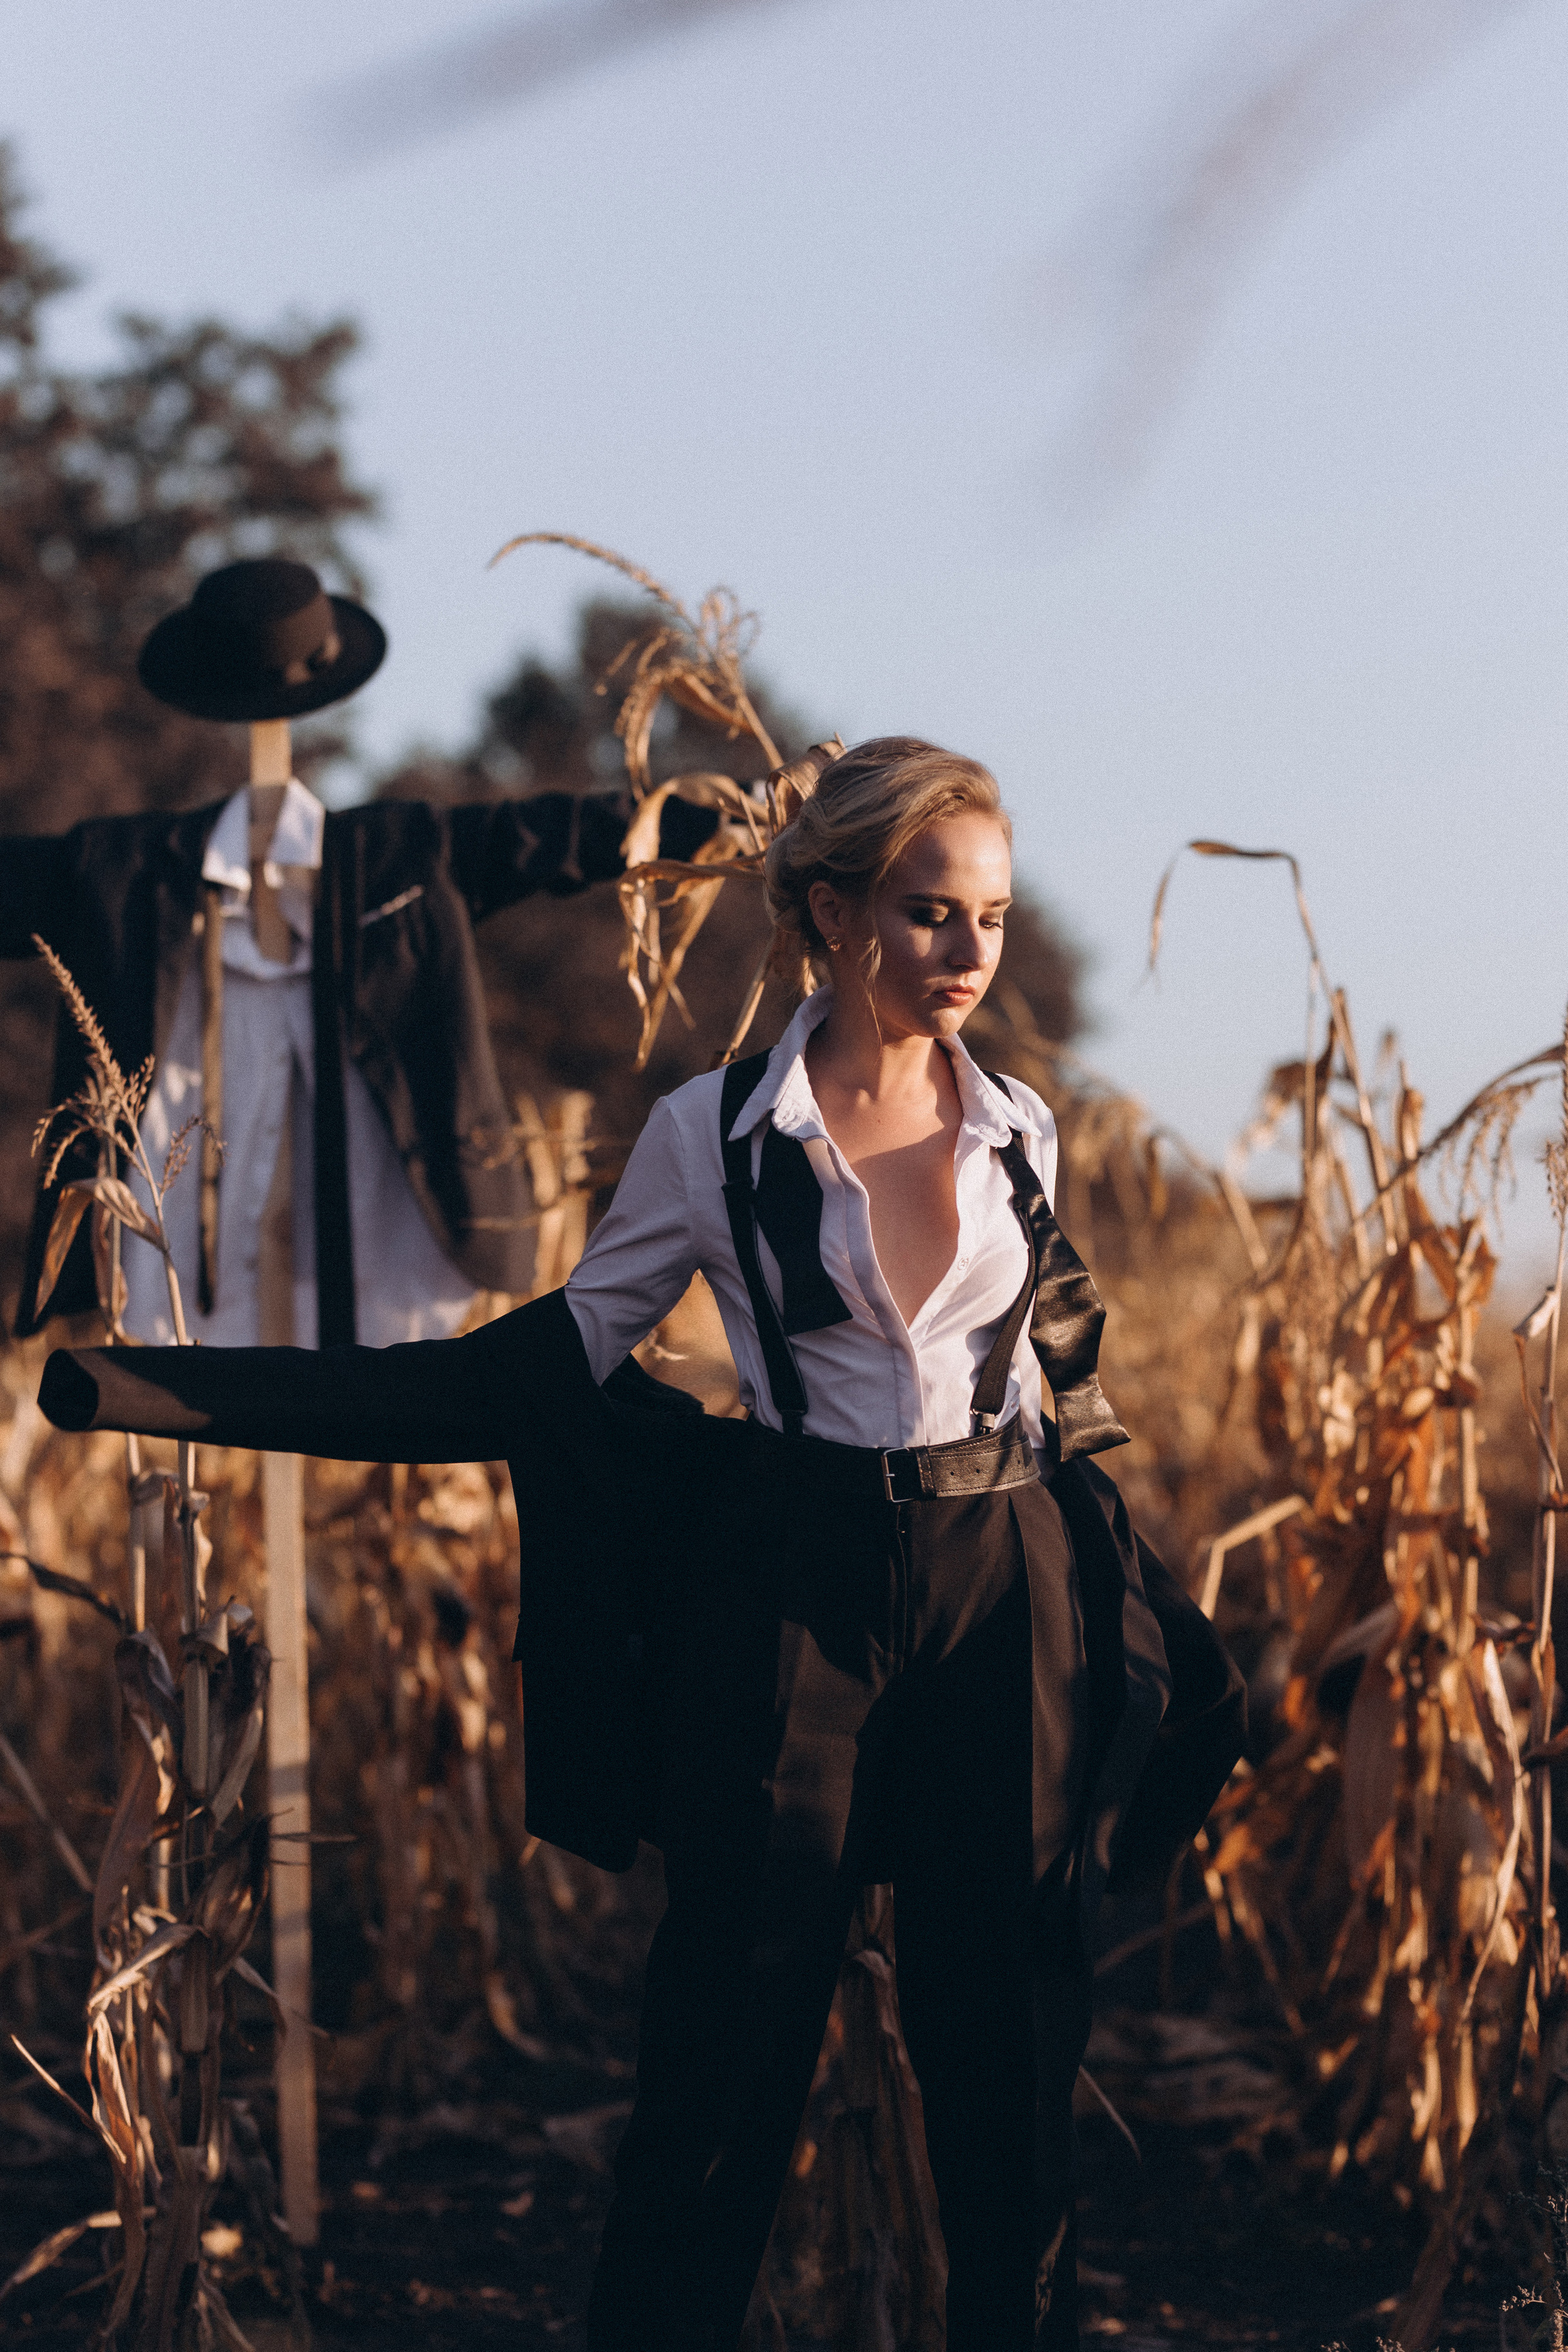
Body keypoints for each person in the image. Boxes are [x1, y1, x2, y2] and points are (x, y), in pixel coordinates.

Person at [40, 736, 1245, 2351]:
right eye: (927, 914)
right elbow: (527, 1374)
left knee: (1009, 2080)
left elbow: (1062, 1394)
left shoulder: (1022, 1126)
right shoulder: (714, 1136)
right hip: (795, 1606)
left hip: (997, 1593)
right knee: (722, 2073)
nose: (968, 954)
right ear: (831, 910)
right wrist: (156, 1387)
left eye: (990, 918)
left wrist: (1152, 1619)